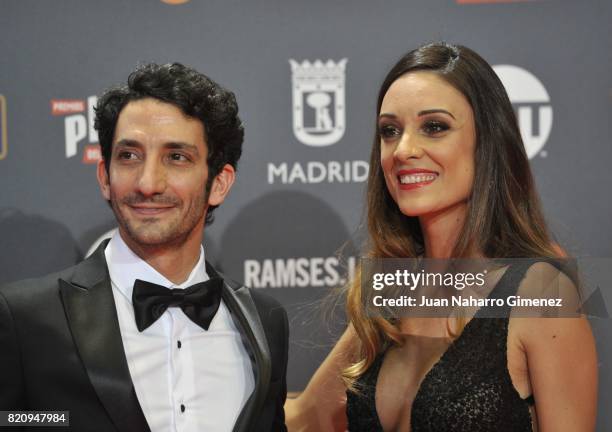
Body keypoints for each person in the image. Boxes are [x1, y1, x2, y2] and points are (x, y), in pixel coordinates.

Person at [285, 43, 597, 431]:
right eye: (389, 131)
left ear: (488, 143)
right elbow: (306, 418)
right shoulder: (389, 287)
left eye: (434, 127)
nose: (403, 150)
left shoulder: (544, 292)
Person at [0, 63, 288, 432]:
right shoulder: (26, 320)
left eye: (177, 157)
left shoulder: (265, 322)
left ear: (219, 183)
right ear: (105, 176)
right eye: (130, 156)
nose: (148, 182)